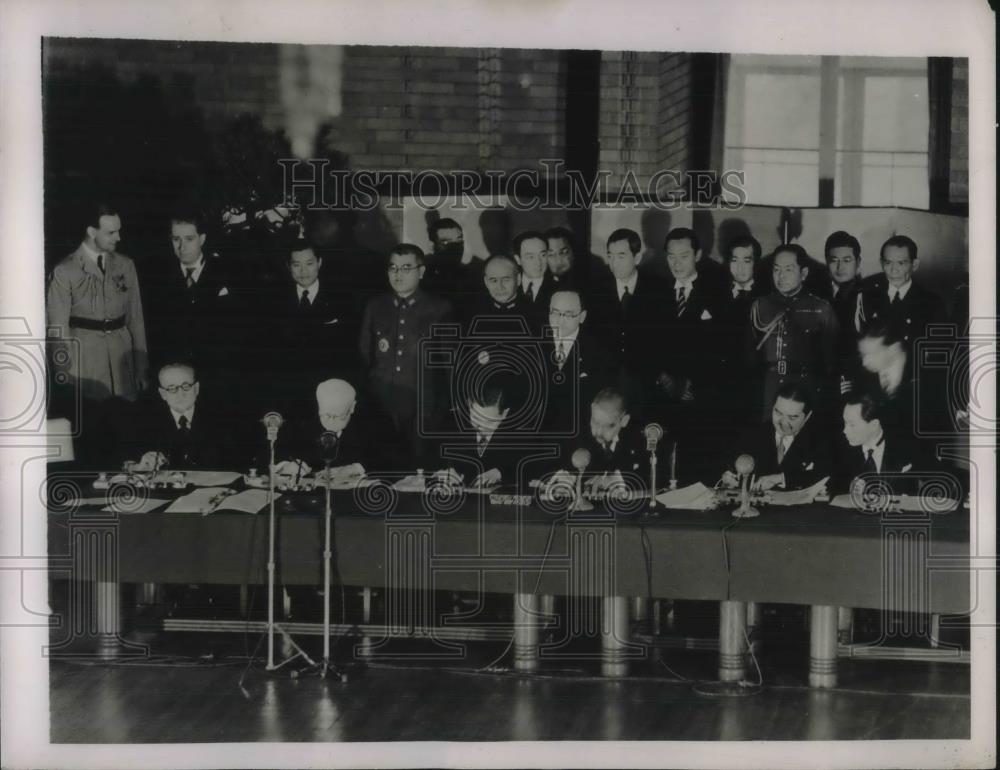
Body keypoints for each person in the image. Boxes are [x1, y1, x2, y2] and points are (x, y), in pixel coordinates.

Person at [358, 244, 453, 462]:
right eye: (393, 268)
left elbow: (448, 367)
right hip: (381, 408)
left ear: (421, 271)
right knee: (380, 468)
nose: (398, 274)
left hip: (421, 410)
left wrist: (439, 412)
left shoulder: (440, 309)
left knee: (416, 471)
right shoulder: (375, 306)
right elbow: (365, 356)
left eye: (406, 268)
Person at [46, 201, 149, 402]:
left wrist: (141, 367)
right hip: (85, 367)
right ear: (92, 232)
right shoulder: (64, 271)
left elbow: (136, 319)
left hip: (123, 365)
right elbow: (57, 330)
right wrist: (64, 376)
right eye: (111, 233)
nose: (118, 237)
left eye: (118, 231)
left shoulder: (125, 265)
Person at [143, 209, 238, 387]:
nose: (181, 246)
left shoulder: (225, 273)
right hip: (176, 380)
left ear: (202, 239)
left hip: (217, 376)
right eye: (176, 239)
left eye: (189, 239)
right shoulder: (159, 278)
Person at [268, 240, 361, 418]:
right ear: (289, 267)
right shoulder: (275, 301)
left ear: (319, 263)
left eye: (309, 264)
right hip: (287, 394)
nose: (303, 271)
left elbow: (349, 351)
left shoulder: (341, 300)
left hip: (327, 396)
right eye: (297, 265)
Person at [748, 244, 838, 422]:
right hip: (769, 387)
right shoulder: (760, 306)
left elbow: (831, 362)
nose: (781, 276)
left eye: (788, 269)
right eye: (776, 270)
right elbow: (749, 356)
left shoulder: (821, 309)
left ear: (803, 273)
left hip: (805, 387)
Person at [587, 228, 668, 419]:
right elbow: (591, 336)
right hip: (605, 381)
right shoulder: (596, 289)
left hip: (645, 382)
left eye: (621, 256)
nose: (614, 263)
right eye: (610, 256)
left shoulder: (658, 289)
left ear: (637, 257)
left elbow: (665, 337)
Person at [657, 228, 727, 430]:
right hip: (662, 391)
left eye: (684, 256)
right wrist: (663, 377)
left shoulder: (716, 291)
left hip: (700, 393)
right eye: (671, 256)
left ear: (697, 255)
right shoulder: (657, 290)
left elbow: (721, 345)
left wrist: (693, 383)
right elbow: (648, 339)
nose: (676, 263)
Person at [544, 387, 664, 495]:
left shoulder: (639, 439)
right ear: (592, 409)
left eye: (609, 425)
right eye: (595, 422)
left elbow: (659, 476)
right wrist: (560, 481)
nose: (598, 431)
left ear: (624, 421)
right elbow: (550, 468)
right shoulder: (575, 438)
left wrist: (618, 479)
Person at [119, 361, 236, 471]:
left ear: (196, 388)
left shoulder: (221, 418)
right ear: (163, 394)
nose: (180, 394)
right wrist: (139, 467)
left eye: (186, 386)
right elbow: (126, 460)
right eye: (172, 388)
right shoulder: (144, 420)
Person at [719, 381, 831, 492]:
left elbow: (824, 474)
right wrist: (728, 477)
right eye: (778, 413)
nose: (783, 423)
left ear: (807, 416)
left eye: (792, 418)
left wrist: (781, 478)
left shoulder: (820, 440)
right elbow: (729, 463)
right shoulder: (753, 434)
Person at [539, 288, 612, 436]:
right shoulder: (533, 344)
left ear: (582, 316)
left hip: (578, 435)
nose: (560, 320)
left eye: (568, 314)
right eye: (555, 312)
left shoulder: (599, 351)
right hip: (536, 435)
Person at [427, 379, 522, 490]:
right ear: (469, 405)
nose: (480, 426)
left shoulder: (518, 435)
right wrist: (443, 471)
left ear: (504, 414)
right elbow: (428, 461)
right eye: (476, 418)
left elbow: (535, 468)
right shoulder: (451, 427)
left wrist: (500, 473)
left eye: (489, 421)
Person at [831, 391, 927, 495]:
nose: (845, 430)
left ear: (874, 425)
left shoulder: (906, 448)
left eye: (852, 425)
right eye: (845, 423)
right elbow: (834, 487)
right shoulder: (840, 453)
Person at [856, 235, 945, 347]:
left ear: (915, 265)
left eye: (901, 263)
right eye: (888, 263)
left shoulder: (932, 303)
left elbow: (938, 353)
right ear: (881, 263)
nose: (894, 270)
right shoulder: (867, 298)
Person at [716, 235, 768, 428]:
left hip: (755, 389)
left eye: (747, 261)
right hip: (721, 389)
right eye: (734, 260)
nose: (740, 268)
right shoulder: (716, 293)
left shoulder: (767, 296)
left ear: (756, 263)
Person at [815, 230, 865, 392]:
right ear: (826, 261)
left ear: (858, 262)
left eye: (847, 260)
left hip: (853, 382)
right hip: (819, 380)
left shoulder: (868, 297)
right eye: (833, 260)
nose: (839, 267)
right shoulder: (816, 294)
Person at [424, 218, 482, 310]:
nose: (455, 248)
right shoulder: (421, 280)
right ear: (431, 247)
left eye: (459, 241)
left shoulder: (473, 278)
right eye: (446, 242)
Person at [513, 231, 556, 328]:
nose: (538, 262)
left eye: (543, 255)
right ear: (518, 259)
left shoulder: (559, 290)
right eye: (530, 257)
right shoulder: (508, 287)